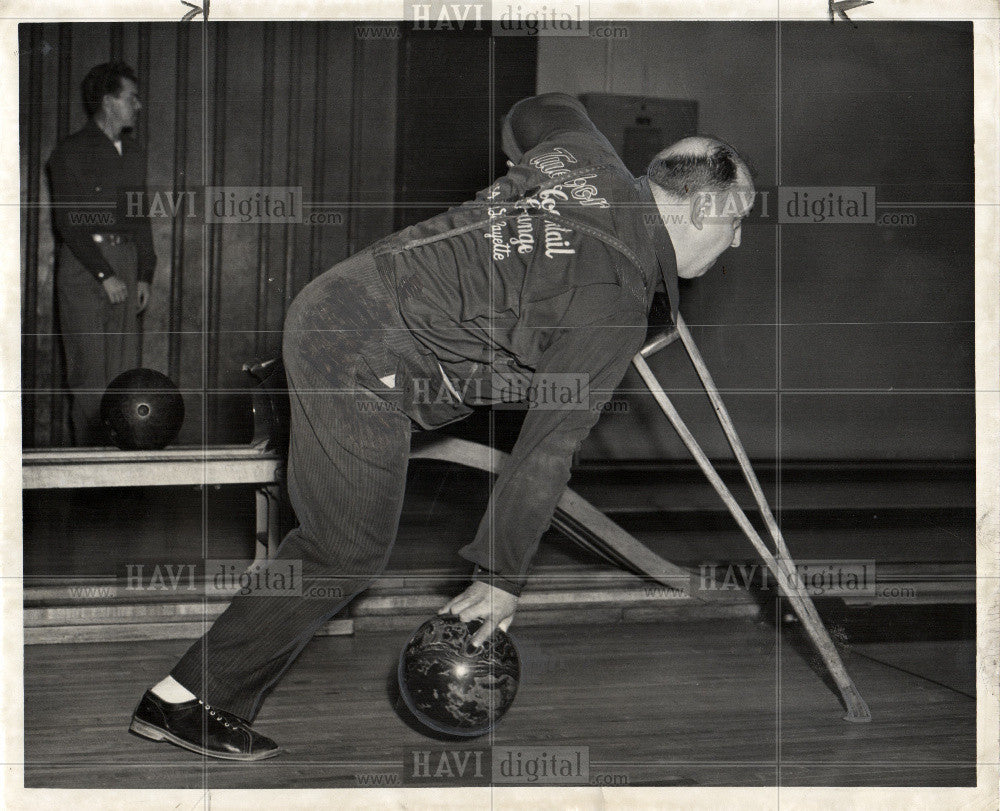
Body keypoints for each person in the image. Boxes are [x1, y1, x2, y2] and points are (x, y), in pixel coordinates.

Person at [129, 92, 754, 760]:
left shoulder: (590, 157)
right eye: (738, 219)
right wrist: (500, 574)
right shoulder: (615, 301)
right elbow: (547, 448)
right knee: (346, 547)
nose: (738, 238)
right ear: (701, 208)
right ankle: (184, 700)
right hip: (361, 350)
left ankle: (193, 696)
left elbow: (538, 108)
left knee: (361, 525)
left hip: (351, 306)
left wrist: (530, 185)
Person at [47, 60, 156, 446]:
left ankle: (119, 476)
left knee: (122, 378)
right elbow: (70, 224)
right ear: (109, 101)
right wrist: (103, 274)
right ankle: (88, 483)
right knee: (90, 378)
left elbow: (139, 214)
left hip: (125, 262)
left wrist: (144, 272)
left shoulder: (134, 152)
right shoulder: (70, 153)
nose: (138, 106)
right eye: (132, 98)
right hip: (84, 266)